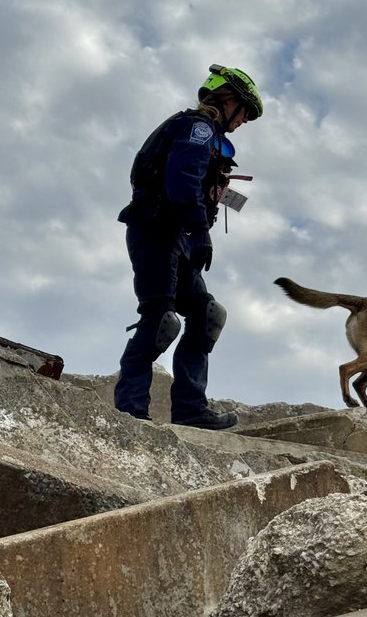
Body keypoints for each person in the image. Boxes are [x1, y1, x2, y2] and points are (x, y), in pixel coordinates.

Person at [113, 64, 263, 429]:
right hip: (156, 232)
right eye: (244, 113)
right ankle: (130, 412)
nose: (243, 122)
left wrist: (218, 198)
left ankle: (191, 410)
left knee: (208, 315)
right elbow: (181, 180)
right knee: (161, 319)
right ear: (229, 101)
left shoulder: (205, 138)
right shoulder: (198, 128)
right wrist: (200, 232)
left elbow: (193, 183)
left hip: (177, 237)